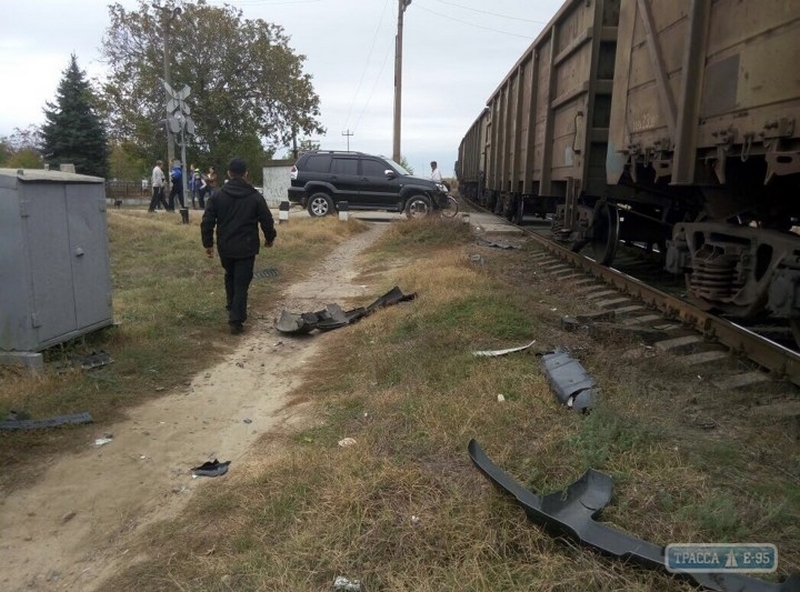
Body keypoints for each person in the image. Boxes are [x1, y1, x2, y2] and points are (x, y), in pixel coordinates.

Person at [201, 158, 276, 335]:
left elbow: (207, 221)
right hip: (247, 247)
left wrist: (208, 243)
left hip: (225, 246)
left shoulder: (217, 195)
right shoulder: (255, 197)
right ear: (246, 174)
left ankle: (232, 306)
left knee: (230, 275)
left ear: (228, 174)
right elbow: (266, 220)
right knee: (242, 282)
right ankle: (236, 319)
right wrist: (270, 237)